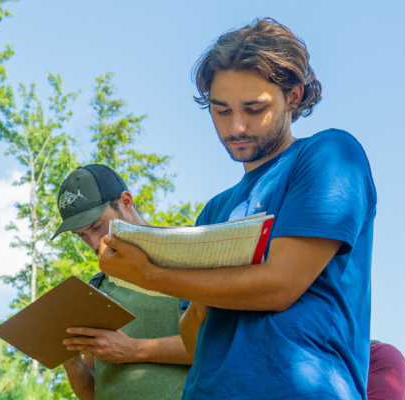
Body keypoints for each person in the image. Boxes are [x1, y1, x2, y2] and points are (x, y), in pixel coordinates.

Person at [96, 18, 376, 399]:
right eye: (221, 110)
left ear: (293, 96)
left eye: (253, 108)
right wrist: (200, 297)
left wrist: (149, 274)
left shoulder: (330, 154)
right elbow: (197, 343)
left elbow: (280, 286)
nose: (236, 127)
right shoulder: (214, 210)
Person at [51, 164, 192, 400]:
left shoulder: (191, 253)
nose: (94, 243)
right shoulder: (96, 289)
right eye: (81, 235)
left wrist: (134, 350)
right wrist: (69, 360)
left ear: (126, 202)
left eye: (97, 227)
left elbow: (219, 347)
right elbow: (93, 393)